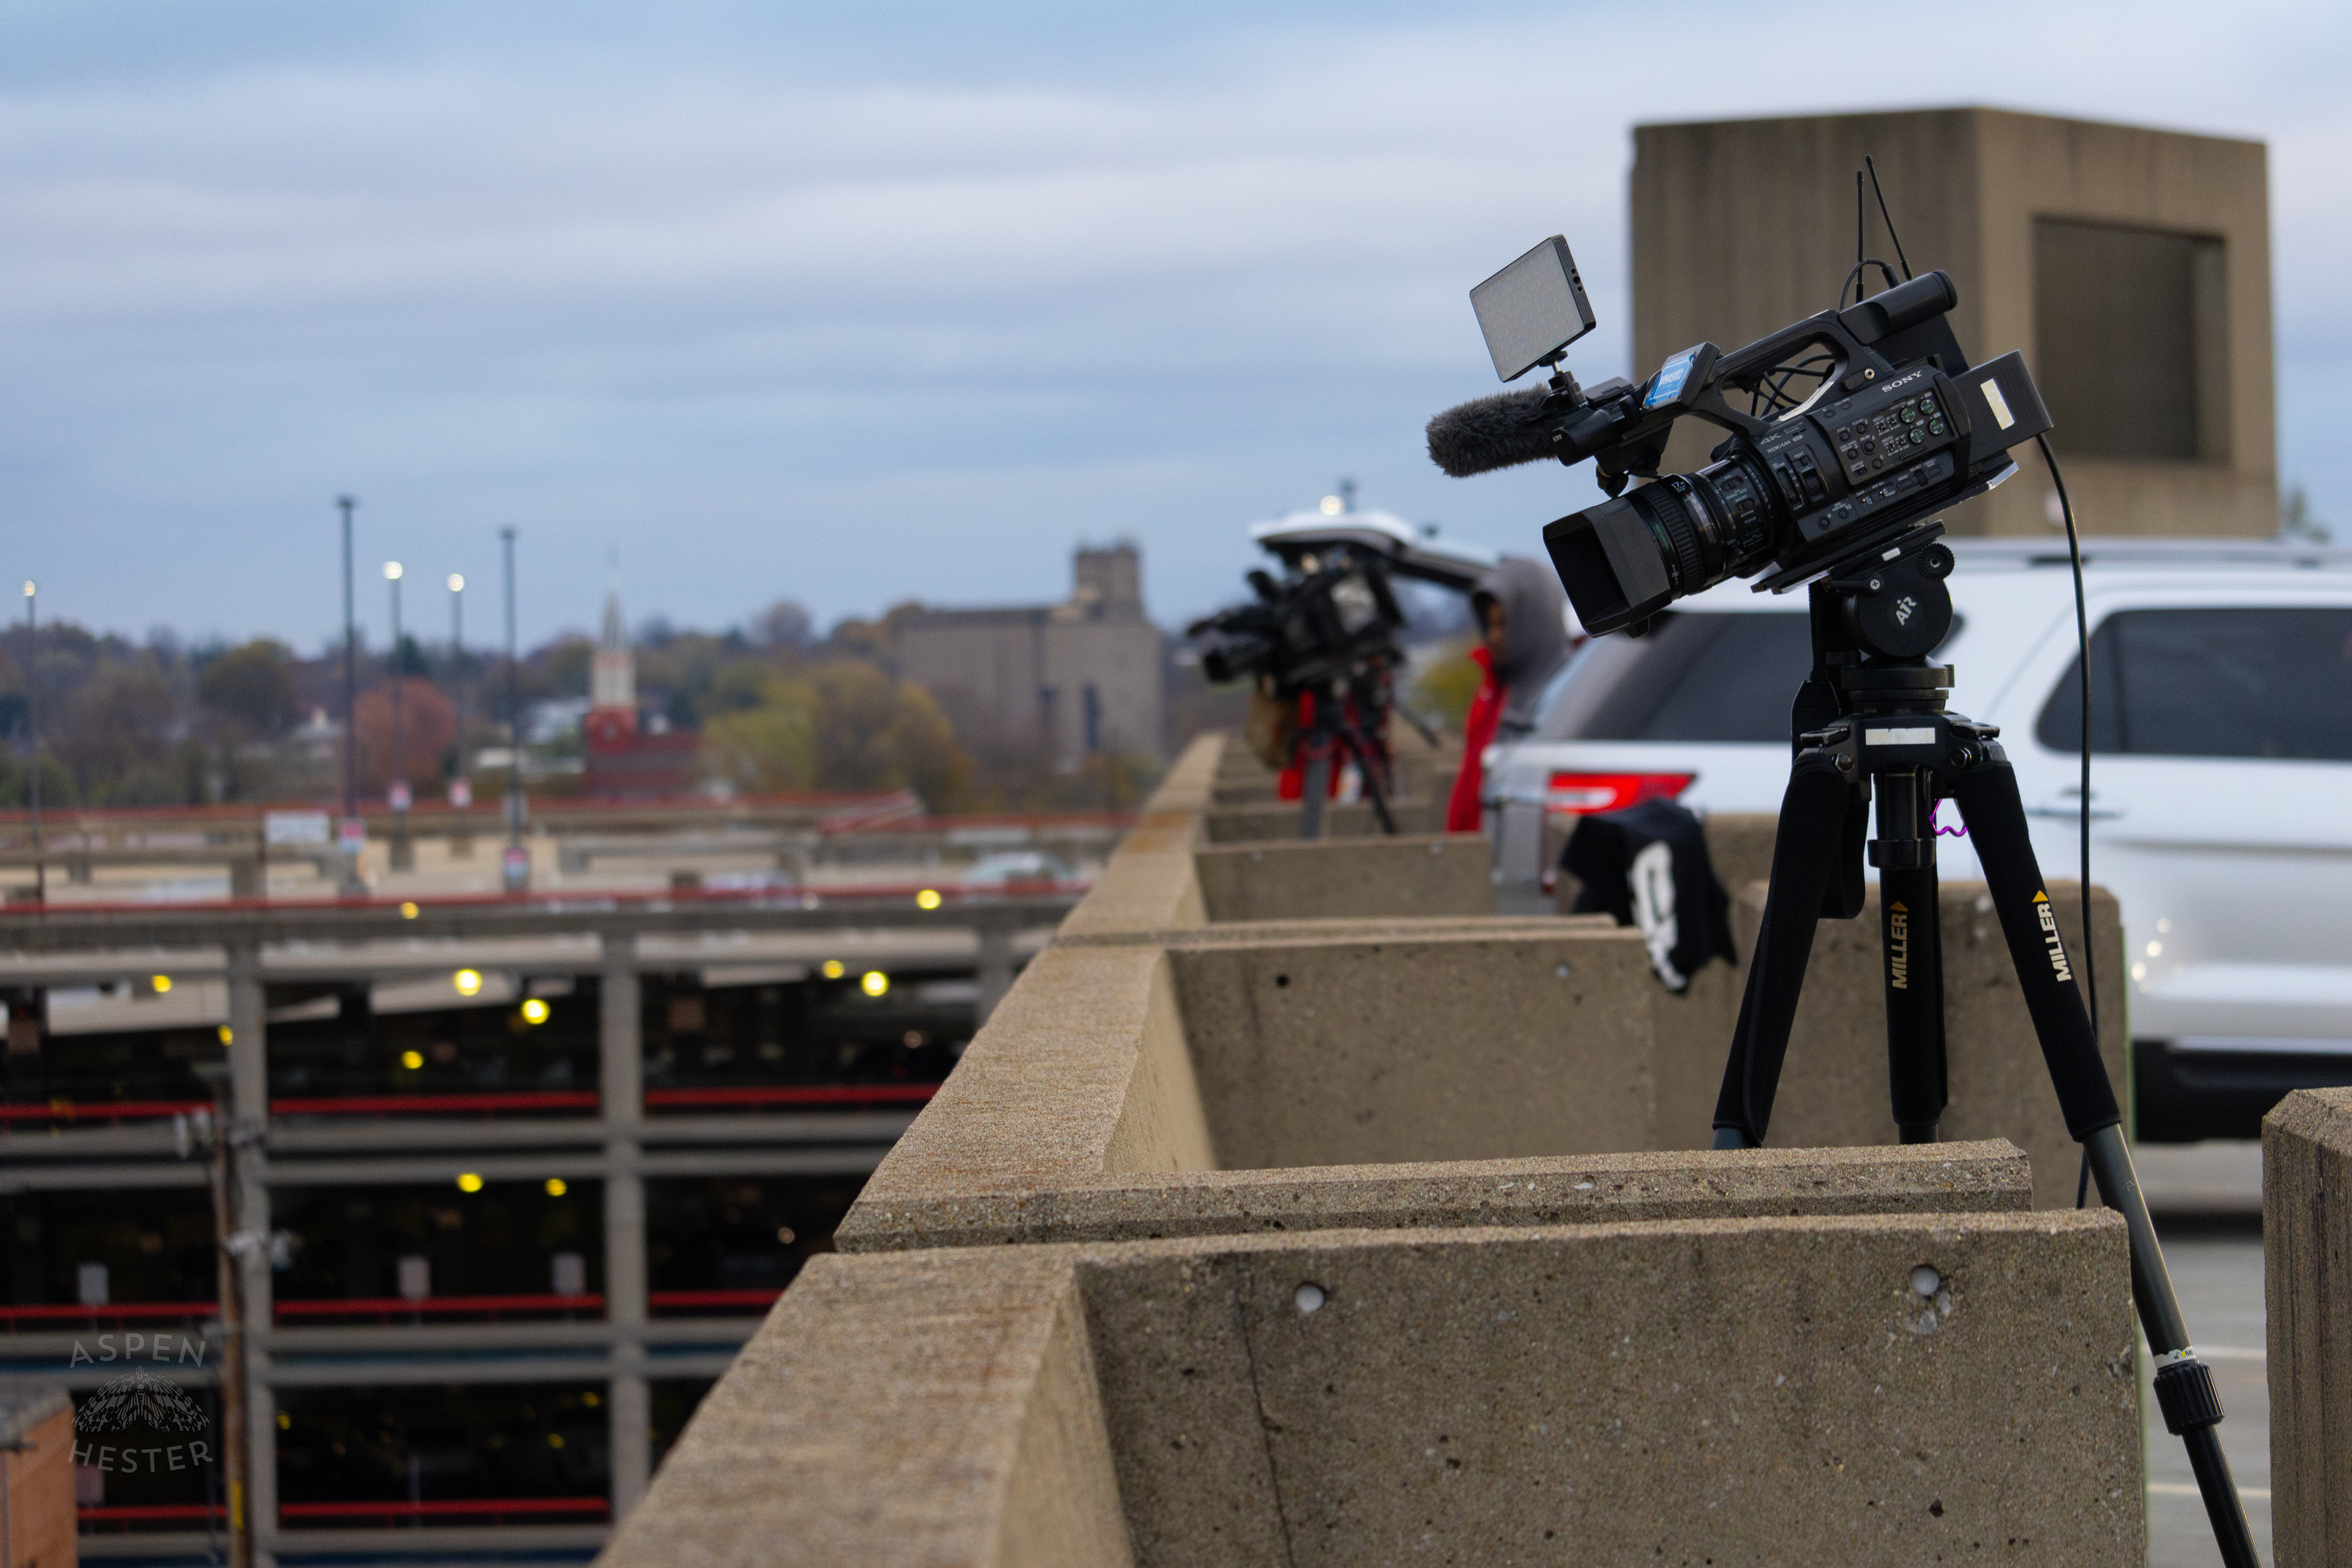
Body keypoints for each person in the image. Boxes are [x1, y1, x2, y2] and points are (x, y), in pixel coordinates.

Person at [1446, 557, 1574, 832]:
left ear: (1532, 622)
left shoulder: (1559, 699)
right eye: (1489, 625)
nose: (1492, 637)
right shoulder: (1494, 689)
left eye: (1503, 625)